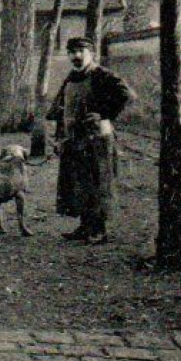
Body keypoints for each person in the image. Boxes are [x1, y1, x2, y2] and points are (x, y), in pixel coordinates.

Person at [46, 37, 134, 245]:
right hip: (74, 139)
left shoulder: (101, 75)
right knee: (78, 183)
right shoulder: (70, 78)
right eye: (72, 52)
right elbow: (59, 108)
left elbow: (126, 94)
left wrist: (103, 114)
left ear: (91, 54)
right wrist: (58, 135)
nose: (76, 56)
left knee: (98, 183)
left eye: (81, 52)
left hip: (97, 139)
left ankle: (99, 230)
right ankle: (85, 226)